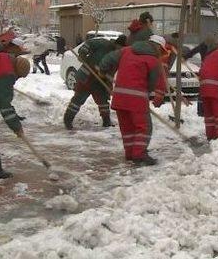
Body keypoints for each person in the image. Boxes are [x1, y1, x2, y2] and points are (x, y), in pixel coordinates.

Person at [100, 35, 167, 166]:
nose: (161, 53)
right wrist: (151, 92)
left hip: (119, 97)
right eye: (162, 50)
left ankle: (130, 153)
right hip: (137, 98)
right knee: (144, 127)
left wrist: (103, 71)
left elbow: (107, 60)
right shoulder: (153, 60)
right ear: (157, 46)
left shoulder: (126, 50)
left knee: (127, 128)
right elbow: (154, 82)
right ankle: (139, 154)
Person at [63, 35, 127, 130]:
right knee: (78, 99)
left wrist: (109, 85)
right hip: (87, 76)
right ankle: (68, 119)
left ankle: (106, 121)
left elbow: (111, 72)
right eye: (122, 48)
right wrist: (83, 54)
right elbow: (88, 44)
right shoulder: (103, 43)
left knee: (103, 101)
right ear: (118, 44)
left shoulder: (118, 56)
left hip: (99, 81)